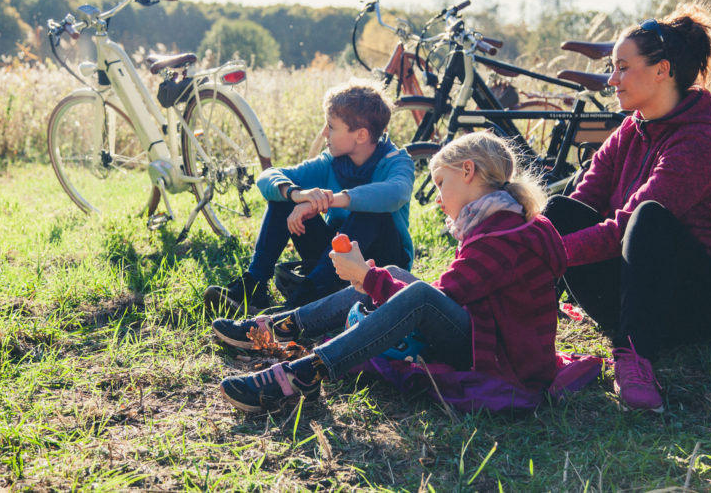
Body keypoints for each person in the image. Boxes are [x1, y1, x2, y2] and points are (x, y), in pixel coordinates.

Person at [213, 132, 566, 414]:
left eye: (441, 182)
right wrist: (372, 278)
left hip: (504, 360)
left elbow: (434, 301)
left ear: (468, 171)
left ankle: (306, 373)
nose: (438, 199)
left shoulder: (503, 236)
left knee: (413, 293)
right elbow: (452, 295)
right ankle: (278, 327)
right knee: (394, 273)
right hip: (490, 338)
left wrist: (367, 278)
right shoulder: (503, 221)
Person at [545, 0, 711, 413]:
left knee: (648, 217)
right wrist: (527, 242)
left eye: (623, 67)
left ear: (662, 71)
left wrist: (548, 253)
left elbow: (626, 229)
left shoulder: (699, 143)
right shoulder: (630, 129)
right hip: (643, 292)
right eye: (613, 67)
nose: (611, 80)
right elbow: (582, 200)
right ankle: (517, 325)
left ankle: (635, 359)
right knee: (557, 211)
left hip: (708, 306)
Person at [204, 79, 414, 313]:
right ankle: (253, 288)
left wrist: (328, 200)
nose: (325, 132)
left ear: (361, 135)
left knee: (371, 214)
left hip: (380, 267)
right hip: (334, 262)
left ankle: (304, 300)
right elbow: (269, 176)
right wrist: (296, 194)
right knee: (283, 197)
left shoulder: (397, 161)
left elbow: (396, 192)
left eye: (332, 127)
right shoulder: (331, 161)